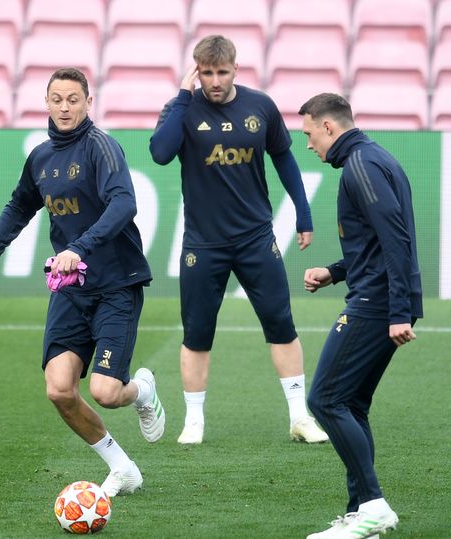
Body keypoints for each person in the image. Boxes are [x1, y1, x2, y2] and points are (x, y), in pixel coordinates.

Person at [0, 67, 164, 498]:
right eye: (57, 99)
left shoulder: (101, 147)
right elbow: (18, 207)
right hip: (71, 289)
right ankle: (122, 467)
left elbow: (124, 203)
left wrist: (80, 246)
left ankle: (142, 391)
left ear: (88, 103)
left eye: (73, 99)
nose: (64, 107)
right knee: (60, 389)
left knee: (106, 392)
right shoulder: (40, 157)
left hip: (116, 284)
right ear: (46, 102)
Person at [149, 34, 328, 445]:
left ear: (236, 69)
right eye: (206, 73)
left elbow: (283, 158)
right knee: (197, 333)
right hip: (203, 243)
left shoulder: (260, 106)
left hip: (255, 238)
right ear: (196, 71)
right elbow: (160, 153)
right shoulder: (182, 108)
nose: (214, 81)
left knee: (281, 324)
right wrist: (183, 95)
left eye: (222, 72)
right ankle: (194, 421)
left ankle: (299, 416)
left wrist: (302, 212)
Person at [299, 93, 422, 539]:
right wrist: (334, 272)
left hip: (376, 304)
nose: (308, 144)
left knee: (324, 400)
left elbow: (395, 238)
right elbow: (373, 243)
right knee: (351, 404)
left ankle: (373, 505)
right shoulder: (373, 158)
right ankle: (360, 513)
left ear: (328, 127)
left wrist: (398, 310)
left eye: (309, 134)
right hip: (380, 297)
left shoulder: (361, 166)